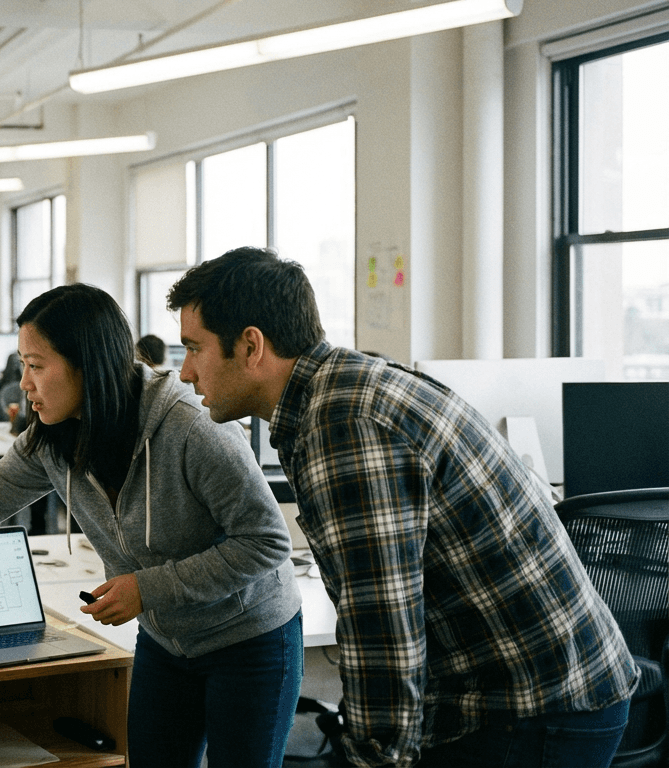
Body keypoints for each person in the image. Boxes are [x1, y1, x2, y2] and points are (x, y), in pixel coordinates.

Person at [166, 246, 638, 768]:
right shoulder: (343, 389)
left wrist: (371, 759)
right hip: (532, 691)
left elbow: (382, 624)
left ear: (251, 346)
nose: (186, 372)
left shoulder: (344, 424)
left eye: (194, 348)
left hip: (534, 706)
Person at [0, 283, 304, 767]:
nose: (23, 383)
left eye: (35, 366)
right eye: (22, 365)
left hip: (250, 638)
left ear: (86, 366)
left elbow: (265, 542)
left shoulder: (191, 428)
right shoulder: (52, 438)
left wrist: (146, 589)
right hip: (167, 640)